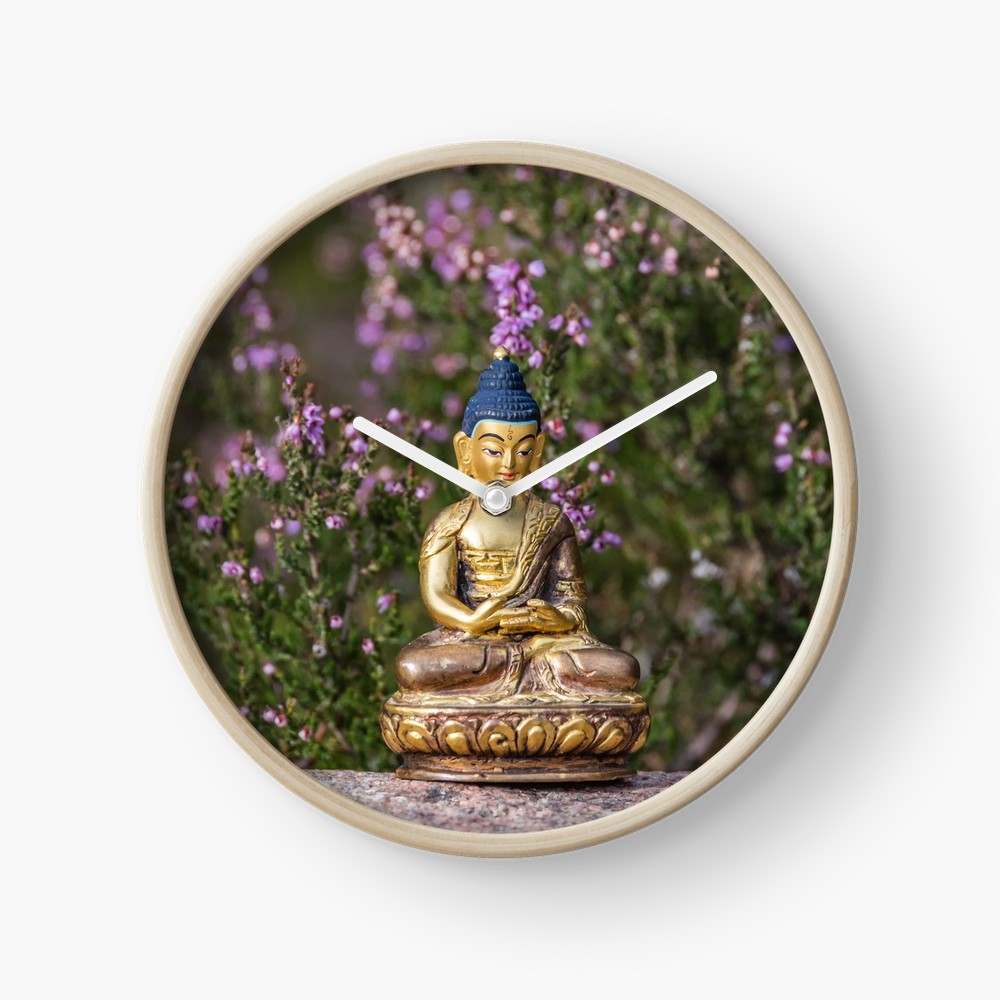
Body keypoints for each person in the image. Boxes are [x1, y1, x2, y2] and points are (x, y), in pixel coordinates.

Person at [395, 347, 640, 700]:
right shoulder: (451, 522)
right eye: (494, 451)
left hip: (543, 644)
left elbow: (571, 600)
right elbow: (437, 594)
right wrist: (471, 621)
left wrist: (558, 620)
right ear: (465, 451)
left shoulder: (552, 522)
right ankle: (526, 681)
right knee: (414, 668)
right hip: (472, 641)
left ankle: (520, 676)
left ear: (538, 452)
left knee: (621, 670)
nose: (509, 463)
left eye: (523, 451)